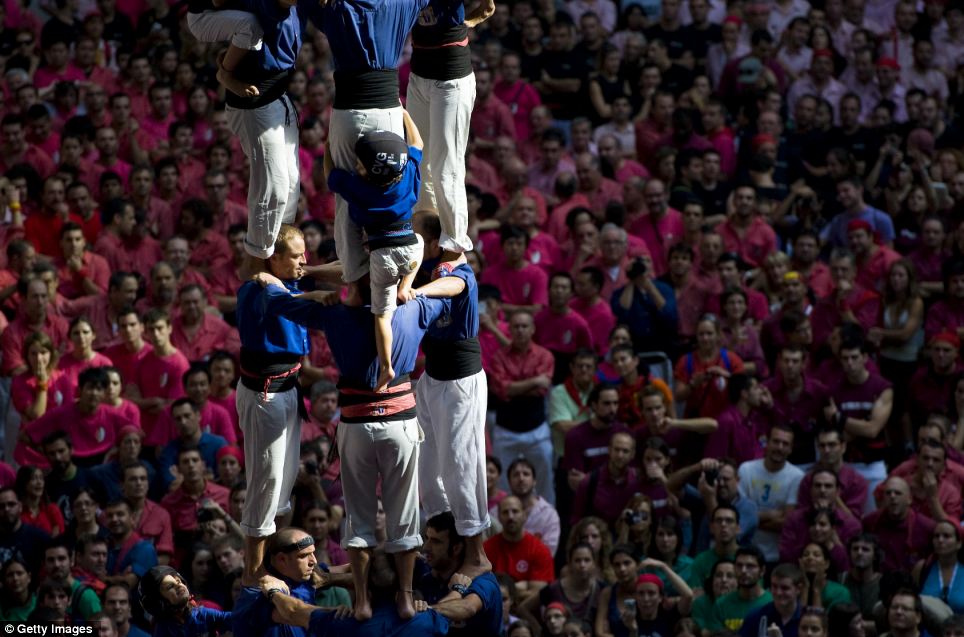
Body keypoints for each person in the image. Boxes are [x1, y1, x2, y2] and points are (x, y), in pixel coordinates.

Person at [412, 212, 491, 578]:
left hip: (461, 381)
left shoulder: (454, 266)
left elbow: (454, 287)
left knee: (460, 464)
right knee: (427, 471)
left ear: (431, 242)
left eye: (415, 237)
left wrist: (417, 292)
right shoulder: (414, 264)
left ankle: (476, 552)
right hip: (430, 378)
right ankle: (443, 545)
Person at [325, 115, 423, 391]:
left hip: (383, 257)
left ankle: (386, 366)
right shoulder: (407, 178)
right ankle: (407, 286)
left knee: (382, 314)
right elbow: (417, 142)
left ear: (368, 173)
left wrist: (329, 145)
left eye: (359, 164)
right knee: (421, 241)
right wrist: (404, 115)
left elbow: (330, 174)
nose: (355, 166)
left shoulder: (361, 190)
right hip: (410, 247)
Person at [407, 0, 494, 264]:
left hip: (451, 77)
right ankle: (426, 235)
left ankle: (454, 247)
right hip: (419, 74)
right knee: (419, 161)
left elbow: (487, 6)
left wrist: (470, 20)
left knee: (447, 168)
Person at [415, 512, 503, 636]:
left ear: (456, 548)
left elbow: (468, 607)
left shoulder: (482, 581)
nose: (426, 547)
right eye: (427, 538)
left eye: (436, 541)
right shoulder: (428, 578)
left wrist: (425, 610)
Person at [738, 424, 805, 563]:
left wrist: (749, 520)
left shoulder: (797, 476)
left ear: (791, 449)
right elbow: (738, 515)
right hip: (744, 552)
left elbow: (787, 523)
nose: (780, 447)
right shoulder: (746, 469)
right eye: (775, 441)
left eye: (785, 444)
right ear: (766, 443)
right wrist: (770, 515)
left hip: (777, 556)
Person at [232, 528, 318, 637]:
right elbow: (294, 612)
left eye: (313, 553)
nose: (314, 561)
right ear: (282, 559)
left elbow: (344, 570)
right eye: (303, 555)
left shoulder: (306, 579)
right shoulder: (259, 591)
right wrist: (274, 593)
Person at [484, 496, 554, 606]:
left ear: (524, 515)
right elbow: (483, 589)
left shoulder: (540, 550)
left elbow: (538, 594)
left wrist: (505, 590)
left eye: (515, 511)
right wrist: (522, 586)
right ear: (499, 517)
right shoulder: (487, 548)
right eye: (505, 512)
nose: (510, 516)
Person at [138, 565, 231, 637]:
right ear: (159, 602)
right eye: (170, 586)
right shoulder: (162, 630)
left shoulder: (202, 615)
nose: (179, 585)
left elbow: (237, 619)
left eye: (179, 581)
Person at [709, 546, 772, 633]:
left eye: (750, 566)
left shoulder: (772, 603)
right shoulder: (721, 604)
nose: (743, 570)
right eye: (739, 565)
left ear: (762, 571)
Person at [739, 563, 805, 637]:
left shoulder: (807, 618)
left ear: (799, 589)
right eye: (774, 586)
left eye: (785, 588)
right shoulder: (755, 617)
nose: (778, 592)